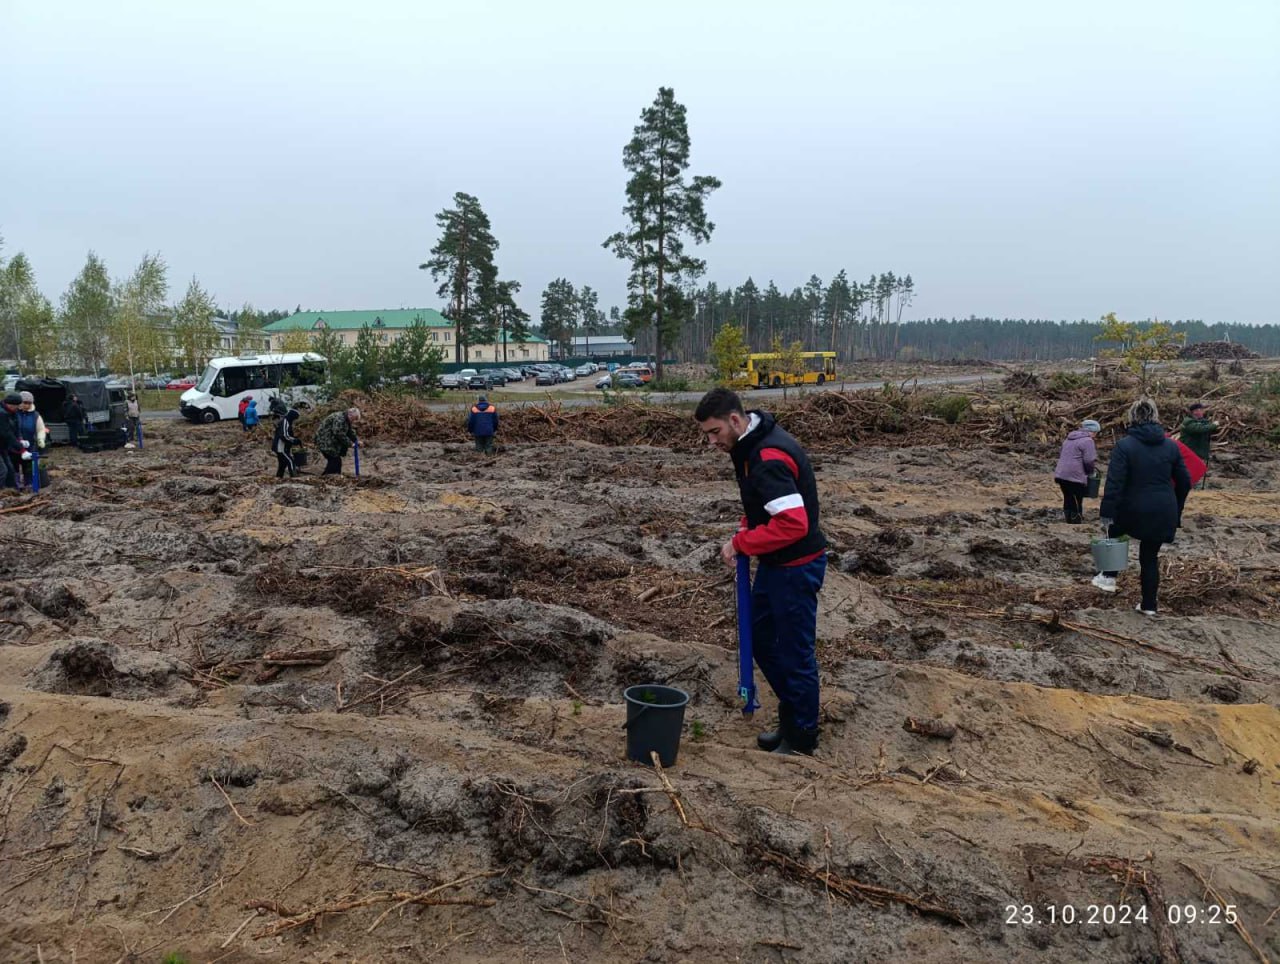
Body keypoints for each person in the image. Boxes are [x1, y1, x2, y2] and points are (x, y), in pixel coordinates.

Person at [695, 387, 827, 756]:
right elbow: (767, 504)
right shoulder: (751, 445)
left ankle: (802, 736)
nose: (711, 442)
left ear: (734, 421)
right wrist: (748, 524)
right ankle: (793, 716)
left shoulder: (767, 455)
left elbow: (793, 523)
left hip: (796, 568)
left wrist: (742, 545)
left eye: (714, 432)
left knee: (794, 653)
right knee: (760, 635)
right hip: (777, 565)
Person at [1093, 397, 1192, 616]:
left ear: (1132, 418)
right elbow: (1185, 482)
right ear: (1155, 417)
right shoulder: (1171, 447)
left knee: (1114, 530)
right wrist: (1177, 508)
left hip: (1133, 507)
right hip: (1163, 508)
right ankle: (1149, 606)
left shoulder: (1125, 446)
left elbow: (1114, 484)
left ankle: (1108, 576)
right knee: (1149, 558)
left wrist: (1106, 512)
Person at [1053, 419, 1100, 523]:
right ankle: (1076, 520)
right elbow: (1089, 460)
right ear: (1092, 431)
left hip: (1061, 474)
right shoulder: (1088, 441)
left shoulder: (1068, 439)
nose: (1096, 436)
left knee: (1068, 497)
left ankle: (1068, 519)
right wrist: (1090, 472)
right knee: (1076, 498)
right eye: (1096, 433)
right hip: (1074, 475)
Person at [1178, 403, 1217, 489]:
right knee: (1188, 468)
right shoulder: (1188, 422)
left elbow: (1206, 428)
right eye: (1199, 410)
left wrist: (1211, 426)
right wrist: (1213, 425)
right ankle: (1187, 485)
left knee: (1197, 468)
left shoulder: (1203, 421)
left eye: (1202, 410)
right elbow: (1199, 429)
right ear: (1194, 412)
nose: (1201, 412)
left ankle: (1194, 484)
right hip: (1189, 450)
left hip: (1198, 450)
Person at [15, 392, 48, 490]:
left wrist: (41, 438)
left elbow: (41, 429)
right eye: (24, 402)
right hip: (15, 445)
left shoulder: (35, 415)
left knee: (29, 467)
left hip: (30, 445)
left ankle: (29, 484)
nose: (26, 405)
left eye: (29, 403)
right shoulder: (14, 413)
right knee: (14, 467)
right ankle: (15, 486)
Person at [315, 407, 360, 475]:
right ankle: (328, 477)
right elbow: (339, 433)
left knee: (335, 461)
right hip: (325, 441)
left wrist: (356, 440)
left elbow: (349, 431)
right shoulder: (340, 419)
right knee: (335, 460)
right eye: (353, 419)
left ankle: (331, 476)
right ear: (349, 414)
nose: (352, 421)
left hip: (331, 441)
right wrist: (350, 444)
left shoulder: (346, 419)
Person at [1, 393, 22, 490]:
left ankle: (12, 491)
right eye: (17, 406)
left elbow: (15, 429)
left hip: (2, 447)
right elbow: (6, 433)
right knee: (2, 471)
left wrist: (20, 440)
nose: (18, 408)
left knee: (10, 469)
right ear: (10, 404)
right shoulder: (2, 414)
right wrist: (20, 447)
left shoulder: (12, 413)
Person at [272, 408, 301, 478]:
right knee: (290, 461)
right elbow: (284, 435)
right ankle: (294, 477)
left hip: (281, 447)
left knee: (282, 464)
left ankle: (279, 477)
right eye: (295, 418)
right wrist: (294, 440)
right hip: (281, 447)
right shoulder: (285, 422)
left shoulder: (286, 421)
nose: (294, 420)